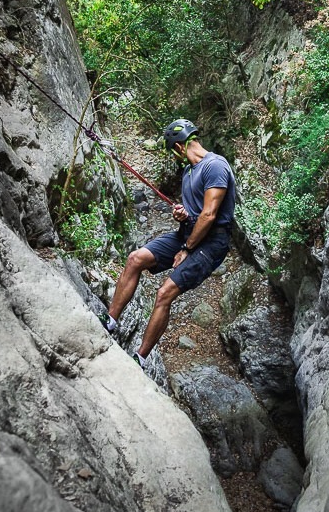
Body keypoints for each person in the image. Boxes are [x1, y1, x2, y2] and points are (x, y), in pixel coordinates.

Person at [98, 118, 236, 369]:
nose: (176, 157)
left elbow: (209, 215)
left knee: (164, 293)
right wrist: (182, 213)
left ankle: (139, 358)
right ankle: (110, 321)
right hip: (188, 233)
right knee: (135, 259)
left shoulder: (215, 166)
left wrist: (187, 249)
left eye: (174, 152)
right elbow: (196, 212)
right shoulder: (189, 172)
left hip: (211, 243)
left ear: (179, 147)